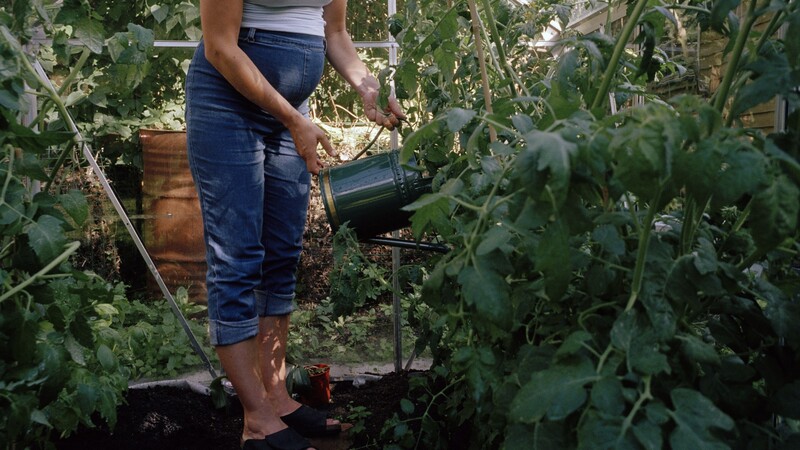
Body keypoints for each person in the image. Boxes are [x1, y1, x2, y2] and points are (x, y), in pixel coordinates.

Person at [185, 1, 404, 448]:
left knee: (282, 255)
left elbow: (335, 34)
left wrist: (368, 87)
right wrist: (292, 119)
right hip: (228, 104)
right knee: (238, 257)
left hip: (290, 110)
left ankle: (278, 397)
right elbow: (221, 47)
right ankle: (257, 417)